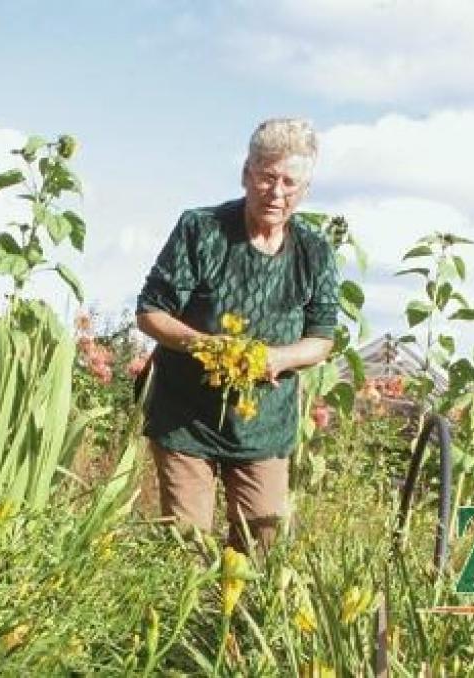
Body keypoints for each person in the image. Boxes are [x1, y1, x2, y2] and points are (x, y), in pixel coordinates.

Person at [135, 118, 339, 553]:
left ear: (305, 189)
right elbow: (150, 312)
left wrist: (276, 359)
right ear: (246, 173)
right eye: (267, 177)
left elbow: (322, 337)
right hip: (186, 416)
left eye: (289, 182)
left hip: (263, 425)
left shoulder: (314, 252)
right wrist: (210, 347)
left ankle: (240, 623)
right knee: (186, 546)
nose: (276, 192)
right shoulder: (201, 229)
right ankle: (177, 618)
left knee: (260, 544)